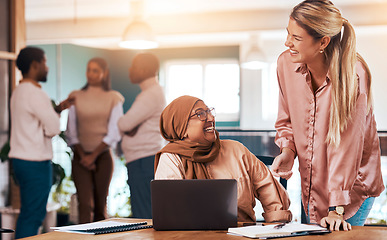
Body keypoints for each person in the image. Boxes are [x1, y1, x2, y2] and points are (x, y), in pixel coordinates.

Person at [271, 0, 384, 231]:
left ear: (323, 42)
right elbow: (286, 120)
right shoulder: (285, 64)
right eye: (288, 34)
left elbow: (346, 148)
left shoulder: (353, 75)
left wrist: (336, 209)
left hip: (352, 190)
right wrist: (288, 151)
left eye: (296, 38)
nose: (287, 42)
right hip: (312, 184)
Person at [155, 95, 292, 223]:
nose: (210, 118)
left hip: (242, 234)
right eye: (200, 114)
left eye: (209, 111)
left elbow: (272, 198)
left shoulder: (236, 150)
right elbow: (171, 214)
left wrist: (275, 226)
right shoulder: (171, 159)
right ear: (181, 127)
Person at [9, 46, 73, 239]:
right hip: (35, 163)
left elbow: (36, 123)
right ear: (35, 65)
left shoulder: (19, 91)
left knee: (28, 213)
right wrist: (55, 116)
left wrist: (57, 109)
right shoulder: (37, 93)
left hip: (21, 160)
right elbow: (53, 128)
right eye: (45, 62)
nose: (47, 67)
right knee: (33, 216)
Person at [65, 57, 124, 223]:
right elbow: (71, 130)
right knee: (84, 204)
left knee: (100, 206)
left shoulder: (114, 98)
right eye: (89, 69)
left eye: (95, 70)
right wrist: (84, 156)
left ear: (104, 74)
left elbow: (114, 131)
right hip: (80, 157)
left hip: (103, 157)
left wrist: (93, 156)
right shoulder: (75, 96)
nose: (91, 74)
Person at [118, 53, 166, 219]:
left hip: (144, 161)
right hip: (143, 160)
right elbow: (129, 125)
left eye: (134, 66)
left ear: (144, 69)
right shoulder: (150, 92)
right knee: (144, 211)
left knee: (143, 215)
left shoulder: (151, 94)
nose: (130, 70)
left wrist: (129, 126)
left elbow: (124, 124)